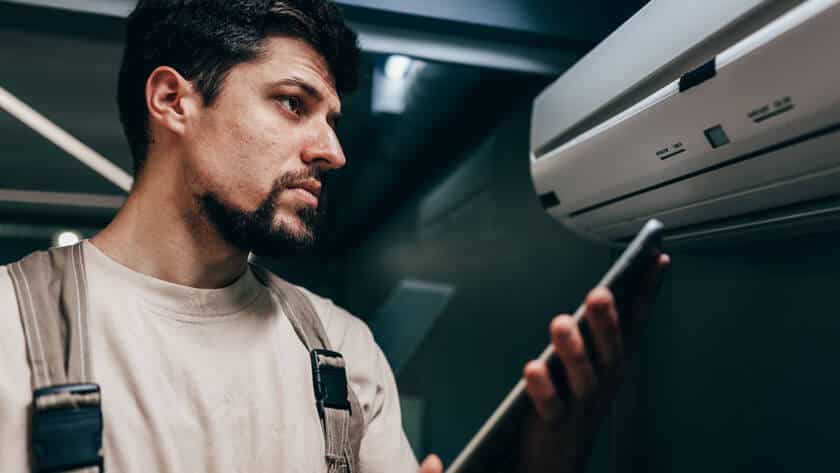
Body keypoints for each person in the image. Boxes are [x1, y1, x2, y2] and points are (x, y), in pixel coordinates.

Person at [0, 1, 669, 472]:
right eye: (294, 103)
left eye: (332, 117)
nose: (332, 150)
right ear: (175, 101)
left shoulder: (341, 352)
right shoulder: (11, 330)